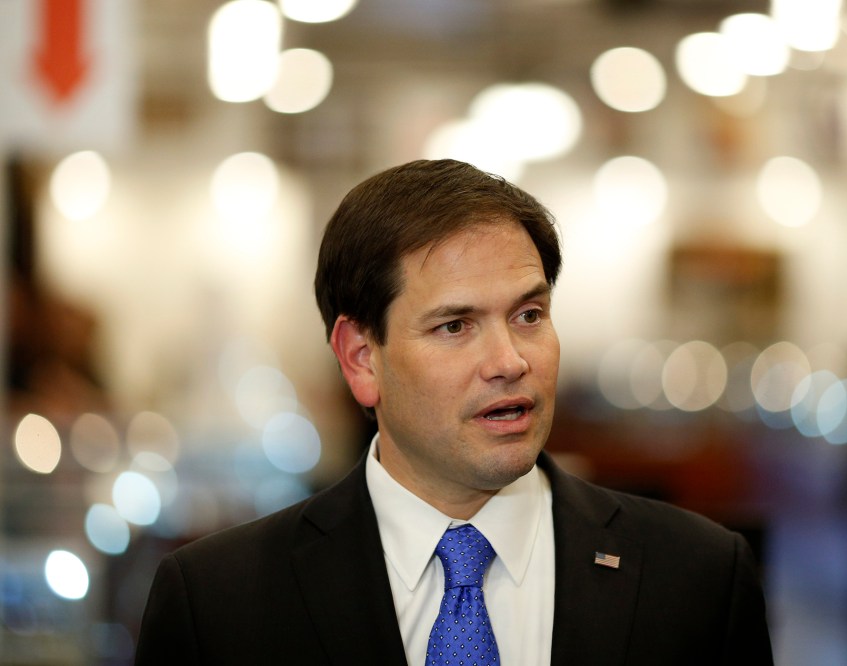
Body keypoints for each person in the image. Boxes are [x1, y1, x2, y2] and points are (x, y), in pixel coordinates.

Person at [135, 159, 773, 665]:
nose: (508, 360)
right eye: (455, 326)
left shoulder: (696, 578)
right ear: (361, 358)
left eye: (529, 315)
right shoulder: (219, 602)